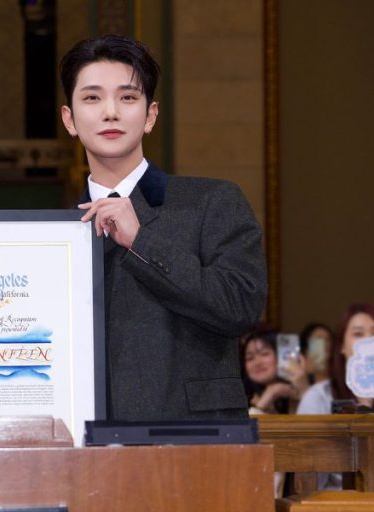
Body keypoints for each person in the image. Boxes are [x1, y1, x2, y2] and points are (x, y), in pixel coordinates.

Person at [62, 35, 266, 420]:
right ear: (69, 119)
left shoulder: (211, 202)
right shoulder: (57, 233)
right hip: (85, 440)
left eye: (127, 97)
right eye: (92, 98)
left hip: (193, 437)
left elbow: (241, 307)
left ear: (151, 115)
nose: (110, 112)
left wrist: (141, 241)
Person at [241, 329, 307, 415]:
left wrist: (303, 389)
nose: (257, 362)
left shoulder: (300, 394)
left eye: (264, 353)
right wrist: (267, 397)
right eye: (249, 358)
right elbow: (242, 428)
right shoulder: (238, 397)